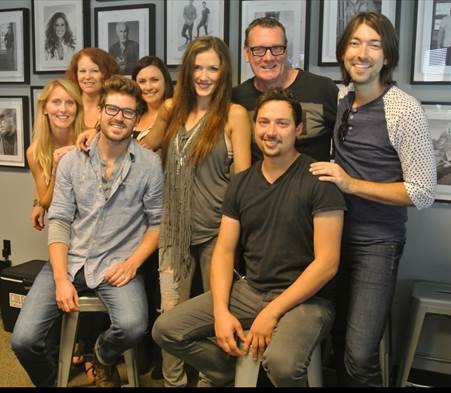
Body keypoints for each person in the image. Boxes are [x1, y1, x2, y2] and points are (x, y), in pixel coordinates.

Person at [152, 88, 346, 387]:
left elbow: (327, 264)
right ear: (255, 127)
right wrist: (220, 313)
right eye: (264, 122)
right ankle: (228, 372)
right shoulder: (241, 184)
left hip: (306, 300)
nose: (271, 131)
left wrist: (271, 313)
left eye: (281, 124)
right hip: (251, 291)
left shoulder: (319, 182)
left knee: (280, 364)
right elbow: (225, 252)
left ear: (298, 129)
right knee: (166, 329)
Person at [309, 12, 437, 386]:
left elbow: (422, 192)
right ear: (343, 52)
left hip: (376, 245)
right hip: (333, 240)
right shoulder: (344, 99)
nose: (362, 53)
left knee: (360, 353)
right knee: (335, 340)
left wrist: (352, 184)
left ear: (387, 56)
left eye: (373, 44)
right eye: (354, 43)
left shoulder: (403, 109)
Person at [11, 75, 164, 387]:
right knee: (23, 341)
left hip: (117, 264)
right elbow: (60, 221)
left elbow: (158, 224)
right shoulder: (71, 162)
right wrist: (59, 279)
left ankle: (100, 355)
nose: (118, 118)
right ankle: (53, 381)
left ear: (136, 119)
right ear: (99, 113)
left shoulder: (149, 165)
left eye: (128, 112)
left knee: (134, 325)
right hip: (70, 260)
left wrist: (132, 263)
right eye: (112, 109)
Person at [140, 36, 251, 387]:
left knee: (208, 317)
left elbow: (243, 184)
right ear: (187, 71)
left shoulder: (234, 115)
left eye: (213, 69)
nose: (204, 75)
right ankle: (173, 383)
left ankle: (208, 382)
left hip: (218, 236)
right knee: (170, 315)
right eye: (198, 67)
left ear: (224, 73)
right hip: (173, 233)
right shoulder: (172, 109)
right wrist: (93, 135)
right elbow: (145, 145)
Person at [65, 47, 120, 381]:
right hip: (69, 208)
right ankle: (81, 343)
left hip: (105, 208)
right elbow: (48, 154)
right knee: (74, 276)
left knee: (102, 278)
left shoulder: (111, 107)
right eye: (82, 71)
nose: (87, 77)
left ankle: (96, 351)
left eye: (94, 71)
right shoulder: (68, 106)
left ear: (105, 74)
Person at [232, 17, 338, 163]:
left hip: (315, 184)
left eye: (276, 49)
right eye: (259, 50)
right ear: (246, 54)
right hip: (260, 184)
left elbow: (348, 148)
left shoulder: (323, 90)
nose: (268, 58)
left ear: (286, 52)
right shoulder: (237, 98)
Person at [26, 79, 84, 232]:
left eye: (70, 103)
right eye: (56, 102)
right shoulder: (35, 152)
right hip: (62, 227)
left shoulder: (88, 139)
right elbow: (45, 203)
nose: (63, 109)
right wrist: (56, 169)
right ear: (44, 108)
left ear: (77, 108)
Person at [131, 56, 173, 144]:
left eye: (154, 80)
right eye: (142, 81)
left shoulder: (174, 112)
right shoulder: (132, 114)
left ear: (165, 81)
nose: (148, 87)